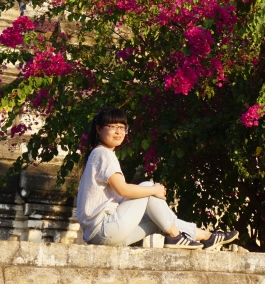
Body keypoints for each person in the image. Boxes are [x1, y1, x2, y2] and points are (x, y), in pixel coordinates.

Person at [75, 106, 238, 250]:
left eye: (122, 127)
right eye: (112, 127)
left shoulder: (100, 153)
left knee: (159, 220)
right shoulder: (102, 153)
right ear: (98, 129)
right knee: (147, 187)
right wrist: (153, 189)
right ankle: (176, 238)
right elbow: (123, 189)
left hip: (103, 236)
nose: (118, 132)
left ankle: (206, 237)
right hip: (103, 230)